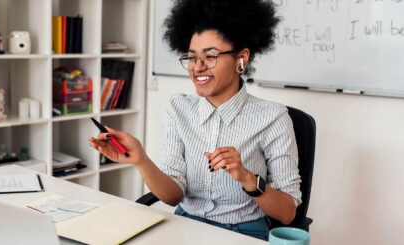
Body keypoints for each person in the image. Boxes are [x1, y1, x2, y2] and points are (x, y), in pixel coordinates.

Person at [89, 0, 301, 241]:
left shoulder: (272, 117)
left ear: (241, 58)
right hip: (185, 224)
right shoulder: (178, 109)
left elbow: (287, 214)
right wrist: (140, 160)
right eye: (191, 58)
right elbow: (172, 196)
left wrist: (247, 177)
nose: (197, 67)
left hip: (243, 232)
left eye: (210, 56)